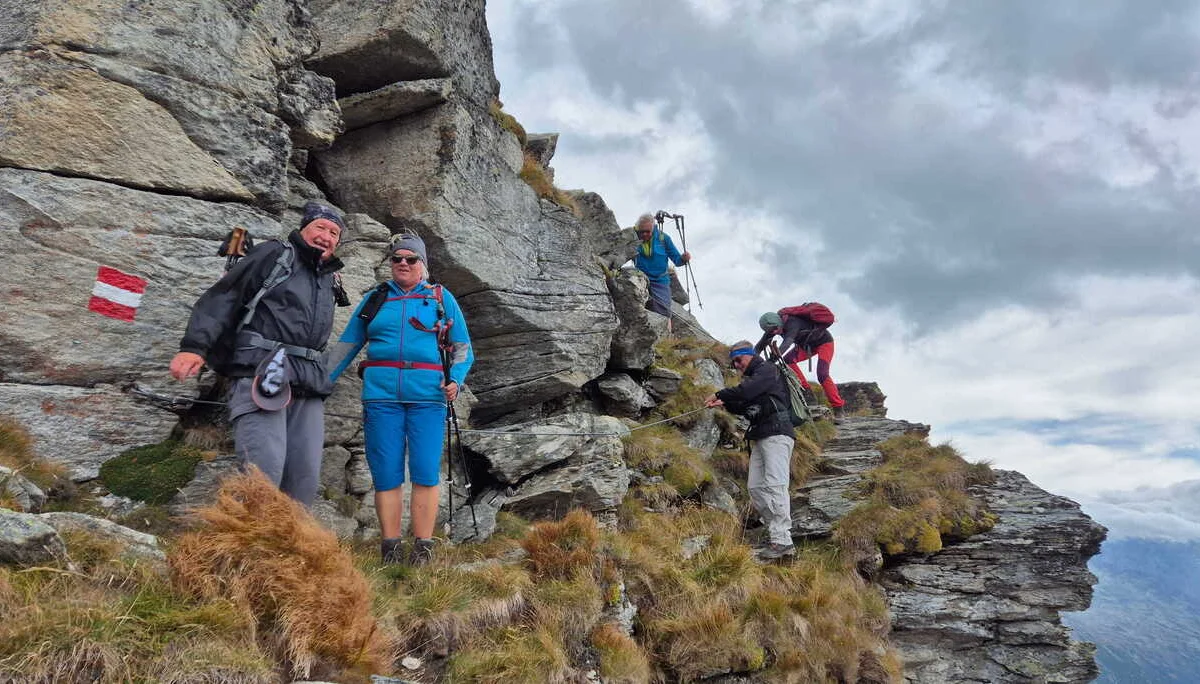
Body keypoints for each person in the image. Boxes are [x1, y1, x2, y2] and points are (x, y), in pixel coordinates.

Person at [169, 201, 346, 507]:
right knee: (263, 469)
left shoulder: (329, 277)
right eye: (320, 227)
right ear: (303, 228)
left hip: (308, 379)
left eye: (334, 233)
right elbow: (225, 296)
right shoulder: (275, 254)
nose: (326, 237)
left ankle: (289, 550)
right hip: (262, 369)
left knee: (303, 478)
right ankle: (242, 543)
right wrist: (194, 347)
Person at [327, 233, 474, 566]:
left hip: (428, 398)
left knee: (424, 471)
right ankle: (390, 549)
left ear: (423, 264)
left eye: (411, 258)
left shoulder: (441, 298)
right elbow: (347, 345)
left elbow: (463, 348)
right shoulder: (376, 299)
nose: (404, 264)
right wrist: (318, 382)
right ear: (391, 264)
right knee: (386, 473)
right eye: (397, 259)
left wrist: (456, 379)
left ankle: (423, 549)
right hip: (381, 399)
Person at [704, 341, 796, 560]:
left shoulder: (767, 370)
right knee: (755, 488)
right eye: (733, 362)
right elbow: (745, 403)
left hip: (777, 434)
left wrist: (721, 393)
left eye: (739, 359)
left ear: (750, 354)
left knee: (775, 484)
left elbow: (748, 391)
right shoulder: (756, 380)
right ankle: (776, 535)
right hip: (760, 436)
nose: (737, 365)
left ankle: (782, 541)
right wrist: (723, 404)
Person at [754, 310, 846, 422]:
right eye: (771, 331)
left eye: (775, 329)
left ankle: (838, 408)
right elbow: (759, 347)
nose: (775, 332)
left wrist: (772, 360)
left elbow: (787, 342)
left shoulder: (792, 323)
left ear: (779, 322)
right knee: (788, 360)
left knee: (822, 374)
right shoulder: (774, 327)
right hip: (807, 345)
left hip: (824, 342)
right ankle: (807, 392)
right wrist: (750, 362)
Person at [633, 213, 690, 332]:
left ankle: (666, 341)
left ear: (653, 228)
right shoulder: (632, 237)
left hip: (660, 281)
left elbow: (677, 260)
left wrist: (684, 259)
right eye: (641, 231)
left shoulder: (664, 239)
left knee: (664, 312)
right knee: (638, 309)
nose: (644, 234)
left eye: (647, 231)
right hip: (641, 279)